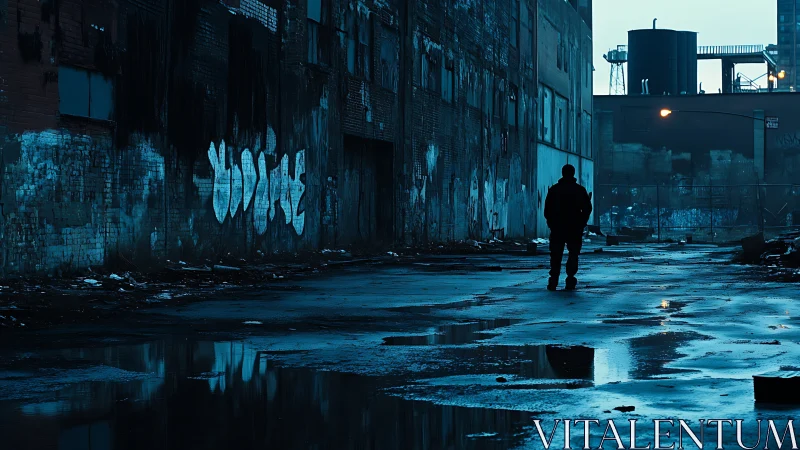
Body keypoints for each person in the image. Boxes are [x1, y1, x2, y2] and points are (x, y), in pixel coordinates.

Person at [544, 164, 592, 291]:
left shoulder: (554, 190)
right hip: (574, 228)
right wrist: (581, 222)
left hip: (558, 227)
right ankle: (570, 279)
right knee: (573, 254)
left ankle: (553, 280)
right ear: (573, 173)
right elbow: (587, 208)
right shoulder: (579, 190)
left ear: (562, 173)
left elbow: (547, 210)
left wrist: (552, 223)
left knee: (555, 255)